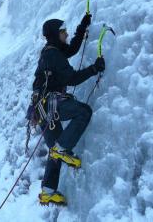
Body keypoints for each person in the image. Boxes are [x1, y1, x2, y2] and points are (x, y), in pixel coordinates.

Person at [32, 13, 105, 206]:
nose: (66, 33)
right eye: (63, 31)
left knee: (54, 148)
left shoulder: (52, 51)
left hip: (41, 110)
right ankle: (63, 150)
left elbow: (72, 48)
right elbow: (71, 78)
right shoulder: (52, 54)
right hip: (50, 103)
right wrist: (94, 69)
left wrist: (82, 26)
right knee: (84, 112)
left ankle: (47, 191)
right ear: (56, 34)